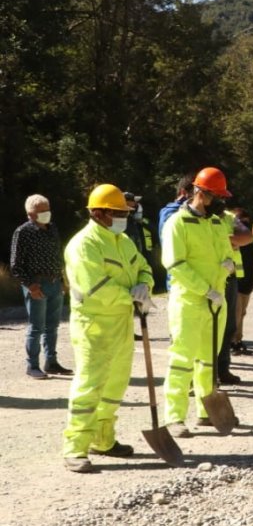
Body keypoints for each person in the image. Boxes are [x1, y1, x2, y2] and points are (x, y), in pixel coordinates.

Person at [62, 183, 155, 473]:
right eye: (116, 212)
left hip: (122, 323)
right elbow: (94, 287)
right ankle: (75, 448)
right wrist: (130, 295)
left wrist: (145, 285)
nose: (122, 217)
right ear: (97, 212)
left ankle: (103, 440)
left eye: (124, 212)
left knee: (116, 384)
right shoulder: (83, 245)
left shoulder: (123, 241)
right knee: (90, 385)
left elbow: (144, 267)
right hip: (94, 327)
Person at [161, 167, 235, 437]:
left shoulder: (215, 223)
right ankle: (175, 417)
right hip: (189, 302)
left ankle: (207, 411)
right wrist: (204, 289)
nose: (217, 203)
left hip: (216, 302)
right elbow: (175, 264)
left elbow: (228, 253)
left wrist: (229, 265)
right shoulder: (177, 224)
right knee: (182, 360)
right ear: (200, 193)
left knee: (209, 360)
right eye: (214, 197)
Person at [10, 194, 71, 379]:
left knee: (52, 326)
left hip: (55, 282)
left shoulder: (52, 228)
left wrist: (63, 280)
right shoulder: (22, 232)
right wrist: (30, 285)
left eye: (48, 209)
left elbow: (58, 255)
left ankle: (51, 362)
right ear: (31, 213)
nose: (47, 213)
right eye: (42, 211)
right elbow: (16, 265)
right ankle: (32, 365)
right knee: (36, 327)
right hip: (37, 284)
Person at [217, 202, 253, 384]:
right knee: (208, 330)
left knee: (229, 325)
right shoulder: (186, 218)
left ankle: (223, 368)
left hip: (230, 276)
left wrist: (227, 238)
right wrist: (227, 239)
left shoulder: (227, 217)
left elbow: (247, 236)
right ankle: (203, 374)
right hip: (208, 279)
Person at [231, 207, 253, 356]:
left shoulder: (250, 241)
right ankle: (233, 342)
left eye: (247, 223)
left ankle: (238, 340)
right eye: (241, 222)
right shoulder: (233, 240)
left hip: (247, 283)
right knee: (235, 314)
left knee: (242, 313)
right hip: (236, 283)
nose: (245, 226)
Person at [123, 192, 154, 269]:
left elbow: (153, 230)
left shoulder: (138, 221)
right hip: (131, 263)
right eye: (134, 202)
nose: (137, 205)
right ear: (127, 203)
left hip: (144, 259)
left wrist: (141, 221)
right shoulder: (124, 223)